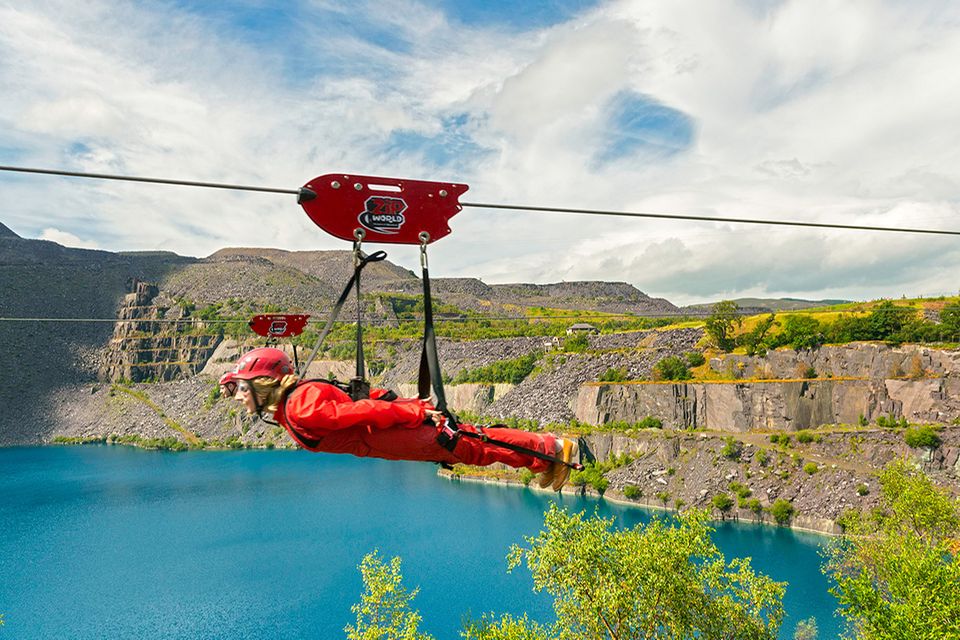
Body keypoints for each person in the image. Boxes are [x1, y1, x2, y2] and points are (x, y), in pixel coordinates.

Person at [219, 347, 579, 490]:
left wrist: (412, 411)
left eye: (240, 389)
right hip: (388, 437)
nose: (238, 397)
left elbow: (359, 410)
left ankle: (549, 448)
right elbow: (361, 403)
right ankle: (541, 458)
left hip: (390, 436)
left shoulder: (299, 406)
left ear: (262, 383)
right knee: (469, 444)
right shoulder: (293, 405)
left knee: (470, 445)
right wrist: (409, 407)